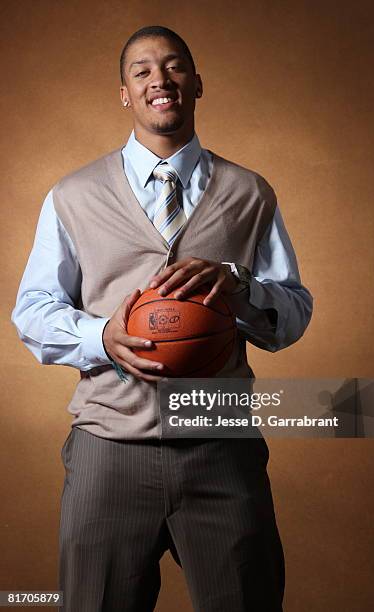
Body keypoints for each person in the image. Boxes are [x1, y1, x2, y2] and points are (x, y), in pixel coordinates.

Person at [11, 25, 313, 612]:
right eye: (142, 71)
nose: (159, 80)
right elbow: (33, 311)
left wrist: (242, 288)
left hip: (221, 446)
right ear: (124, 92)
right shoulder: (72, 195)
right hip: (108, 450)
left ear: (196, 82)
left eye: (173, 66)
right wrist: (102, 336)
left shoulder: (251, 192)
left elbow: (292, 314)